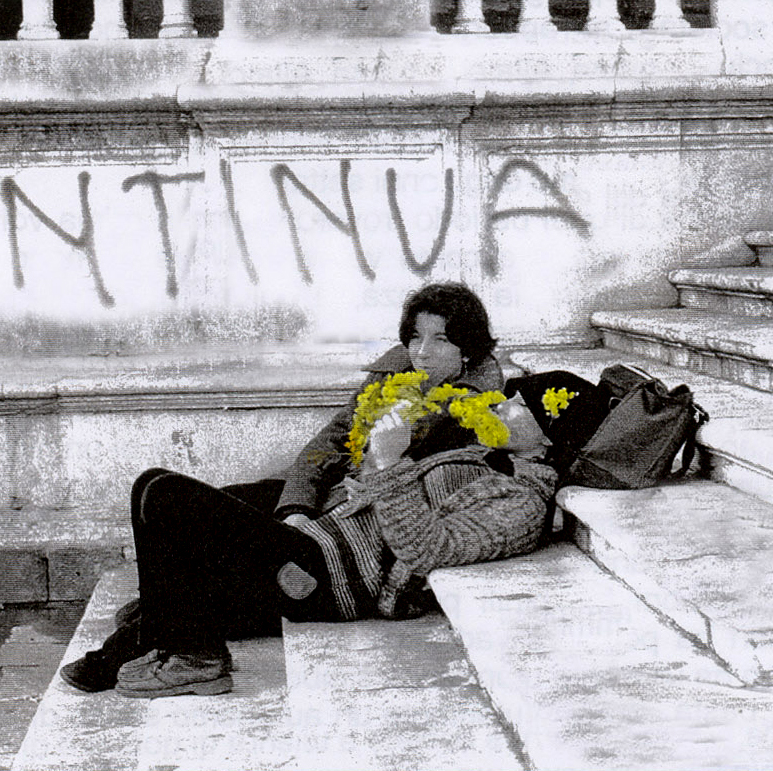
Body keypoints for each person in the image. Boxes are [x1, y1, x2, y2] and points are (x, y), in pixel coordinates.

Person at [60, 282, 557, 698]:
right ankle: (164, 616)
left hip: (346, 550)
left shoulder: (481, 423)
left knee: (166, 495)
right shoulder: (395, 380)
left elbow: (422, 531)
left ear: (467, 348)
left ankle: (171, 638)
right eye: (414, 337)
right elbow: (326, 447)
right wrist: (296, 507)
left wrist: (383, 466)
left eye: (440, 340)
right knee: (199, 498)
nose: (422, 351)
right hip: (336, 516)